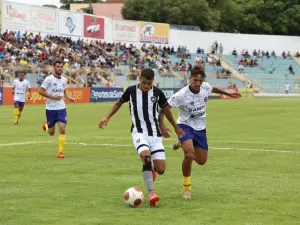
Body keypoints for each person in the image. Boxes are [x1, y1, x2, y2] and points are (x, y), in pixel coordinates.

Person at [99, 68, 184, 207]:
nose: (146, 86)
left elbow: (166, 110)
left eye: (149, 84)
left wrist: (174, 127)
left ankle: (152, 171)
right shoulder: (131, 91)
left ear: (153, 82)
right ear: (139, 78)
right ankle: (152, 193)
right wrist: (107, 117)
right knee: (146, 157)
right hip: (139, 132)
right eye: (144, 83)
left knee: (161, 169)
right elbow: (118, 103)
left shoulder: (157, 93)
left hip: (155, 135)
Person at [160, 66, 241, 199]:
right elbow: (164, 109)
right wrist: (162, 126)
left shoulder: (205, 87)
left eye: (200, 80)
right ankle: (187, 188)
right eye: (195, 80)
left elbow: (213, 88)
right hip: (184, 125)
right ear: (189, 79)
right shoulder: (181, 94)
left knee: (202, 161)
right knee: (189, 155)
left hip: (200, 128)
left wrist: (229, 94)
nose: (197, 83)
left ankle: (181, 142)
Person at [39, 59, 75, 159]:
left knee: (62, 128)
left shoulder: (64, 80)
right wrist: (52, 97)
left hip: (61, 107)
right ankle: (46, 125)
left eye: (61, 67)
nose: (60, 68)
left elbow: (64, 92)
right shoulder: (48, 79)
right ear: (54, 67)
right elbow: (41, 91)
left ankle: (60, 152)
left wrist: (69, 98)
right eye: (58, 66)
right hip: (50, 108)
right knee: (51, 133)